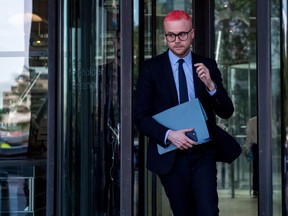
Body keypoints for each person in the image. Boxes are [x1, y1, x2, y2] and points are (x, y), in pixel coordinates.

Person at [134, 10, 234, 216]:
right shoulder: (150, 69)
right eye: (171, 35)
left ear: (192, 34)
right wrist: (170, 135)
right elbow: (140, 117)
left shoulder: (207, 65)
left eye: (182, 34)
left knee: (208, 211)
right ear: (165, 36)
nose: (176, 40)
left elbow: (226, 111)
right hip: (171, 156)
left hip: (203, 153)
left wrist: (211, 85)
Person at [244, 116, 258, 197]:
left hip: (255, 146)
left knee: (256, 168)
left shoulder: (252, 121)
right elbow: (274, 134)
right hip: (266, 146)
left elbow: (248, 136)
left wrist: (246, 147)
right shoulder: (269, 120)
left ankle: (255, 189)